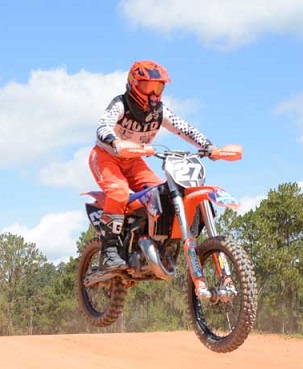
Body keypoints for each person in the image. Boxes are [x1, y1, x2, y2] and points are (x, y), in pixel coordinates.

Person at [88, 59, 222, 272]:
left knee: (163, 193)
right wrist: (116, 142)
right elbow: (103, 126)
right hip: (106, 157)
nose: (152, 93)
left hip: (134, 161)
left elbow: (182, 128)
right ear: (133, 83)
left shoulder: (160, 111)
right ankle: (109, 249)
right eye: (147, 86)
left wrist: (208, 146)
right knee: (119, 192)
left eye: (157, 87)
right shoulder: (121, 104)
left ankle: (151, 242)